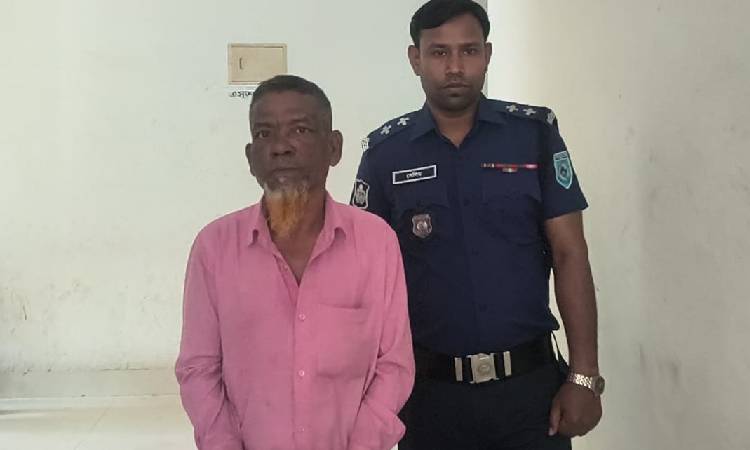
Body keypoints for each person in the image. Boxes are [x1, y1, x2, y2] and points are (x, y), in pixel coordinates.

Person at [351, 1, 603, 449]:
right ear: (415, 59)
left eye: (468, 51)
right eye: (439, 52)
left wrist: (583, 376)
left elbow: (570, 254)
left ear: (487, 55)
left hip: (531, 394)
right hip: (429, 397)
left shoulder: (534, 135)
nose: (454, 67)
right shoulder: (385, 155)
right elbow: (362, 278)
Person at [176, 74, 414, 450]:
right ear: (250, 157)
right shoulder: (214, 248)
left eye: (300, 130)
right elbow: (198, 368)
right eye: (264, 133)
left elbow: (394, 365)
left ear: (333, 148)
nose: (280, 147)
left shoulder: (375, 242)